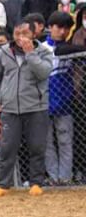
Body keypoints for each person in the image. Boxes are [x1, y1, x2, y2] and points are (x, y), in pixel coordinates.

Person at [0, 23, 53, 196]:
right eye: (17, 33)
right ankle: (3, 184)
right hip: (10, 109)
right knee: (7, 147)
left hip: (36, 107)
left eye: (25, 33)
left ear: (33, 34)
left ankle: (36, 183)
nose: (20, 37)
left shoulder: (44, 52)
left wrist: (30, 53)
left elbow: (43, 73)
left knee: (37, 146)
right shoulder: (3, 52)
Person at [44, 11, 81, 185]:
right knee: (47, 144)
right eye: (59, 27)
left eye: (66, 28)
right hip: (43, 104)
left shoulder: (71, 49)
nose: (62, 31)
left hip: (64, 104)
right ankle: (53, 178)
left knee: (65, 141)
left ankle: (65, 178)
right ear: (50, 27)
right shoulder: (41, 48)